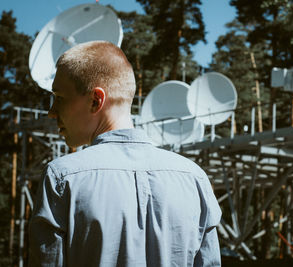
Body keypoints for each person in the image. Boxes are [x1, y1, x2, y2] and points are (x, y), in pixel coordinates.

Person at [29, 41, 222, 267]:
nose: (51, 113)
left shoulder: (62, 178)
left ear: (95, 101)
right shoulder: (195, 179)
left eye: (60, 98)